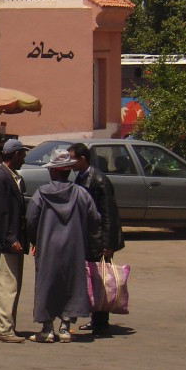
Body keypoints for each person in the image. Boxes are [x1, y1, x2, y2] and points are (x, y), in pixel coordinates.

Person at [26, 148, 101, 343]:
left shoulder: (41, 194)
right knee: (72, 284)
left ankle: (47, 329)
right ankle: (66, 328)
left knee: (47, 285)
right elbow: (95, 219)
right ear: (68, 171)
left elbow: (30, 220)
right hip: (74, 247)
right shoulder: (81, 193)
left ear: (53, 171)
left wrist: (35, 240)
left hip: (48, 247)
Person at [69, 142, 125, 337]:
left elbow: (109, 214)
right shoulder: (80, 178)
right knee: (92, 279)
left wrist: (108, 245)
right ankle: (95, 319)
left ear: (82, 159)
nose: (71, 163)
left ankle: (102, 322)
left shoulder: (99, 180)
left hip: (99, 240)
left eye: (73, 158)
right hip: (88, 238)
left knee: (102, 280)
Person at [0, 138, 29, 343]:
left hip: (13, 241)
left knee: (13, 285)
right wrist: (11, 238)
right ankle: (4, 329)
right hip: (6, 243)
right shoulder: (1, 179)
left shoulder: (12, 177)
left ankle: (9, 326)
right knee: (6, 286)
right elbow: (1, 214)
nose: (25, 158)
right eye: (23, 154)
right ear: (16, 154)